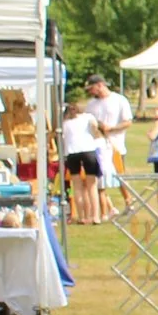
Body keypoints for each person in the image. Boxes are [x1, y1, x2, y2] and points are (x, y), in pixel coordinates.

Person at [86, 75, 133, 214]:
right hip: (97, 145)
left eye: (92, 88)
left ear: (100, 85)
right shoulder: (91, 104)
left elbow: (127, 121)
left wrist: (111, 128)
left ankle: (129, 202)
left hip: (115, 144)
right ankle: (107, 208)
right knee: (98, 177)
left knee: (119, 175)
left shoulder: (118, 100)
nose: (90, 92)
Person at [59, 95, 104, 224]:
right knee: (91, 185)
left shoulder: (65, 123)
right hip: (88, 151)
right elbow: (96, 130)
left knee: (77, 186)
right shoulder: (88, 117)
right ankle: (95, 216)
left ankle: (82, 216)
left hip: (72, 153)